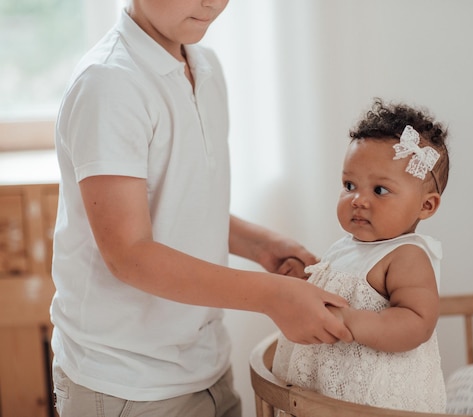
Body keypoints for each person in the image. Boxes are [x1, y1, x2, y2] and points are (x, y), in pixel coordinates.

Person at [49, 1, 352, 416]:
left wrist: (261, 245)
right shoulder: (109, 83)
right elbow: (128, 254)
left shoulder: (204, 67)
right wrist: (273, 297)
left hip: (205, 367)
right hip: (128, 383)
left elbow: (179, 204)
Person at [272, 98, 450, 413]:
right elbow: (333, 296)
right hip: (332, 392)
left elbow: (417, 322)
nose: (358, 200)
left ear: (426, 205)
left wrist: (354, 322)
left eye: (380, 190)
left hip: (376, 401)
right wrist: (302, 280)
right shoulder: (346, 246)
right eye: (350, 185)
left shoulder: (406, 256)